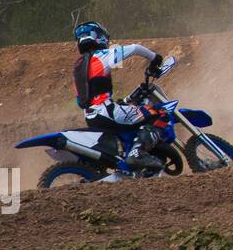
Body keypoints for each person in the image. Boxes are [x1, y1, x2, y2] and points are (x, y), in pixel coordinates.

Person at [72, 21, 167, 172]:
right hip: (107, 112)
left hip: (91, 117)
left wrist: (123, 102)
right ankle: (137, 153)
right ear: (98, 36)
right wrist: (155, 58)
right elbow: (136, 48)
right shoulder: (101, 56)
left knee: (129, 114)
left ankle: (129, 159)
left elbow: (82, 100)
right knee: (157, 114)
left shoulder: (78, 67)